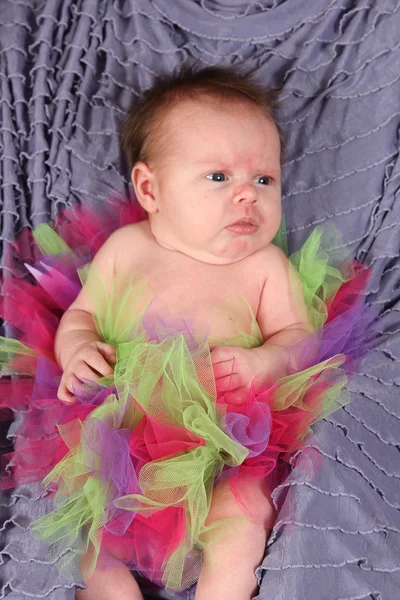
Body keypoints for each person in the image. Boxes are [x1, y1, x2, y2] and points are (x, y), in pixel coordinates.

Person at [0, 63, 372, 600]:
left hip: (229, 439)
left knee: (243, 514)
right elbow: (81, 315)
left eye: (263, 179)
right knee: (84, 520)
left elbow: (300, 337)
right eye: (218, 177)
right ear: (150, 189)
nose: (247, 195)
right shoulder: (127, 250)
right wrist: (78, 346)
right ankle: (110, 590)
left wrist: (265, 362)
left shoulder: (265, 266)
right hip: (122, 438)